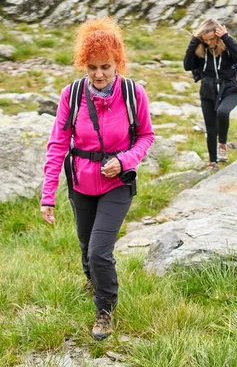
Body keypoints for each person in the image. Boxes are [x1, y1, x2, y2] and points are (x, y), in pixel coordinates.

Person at [40, 17, 154, 341]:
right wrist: (47, 196)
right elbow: (58, 145)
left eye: (106, 66)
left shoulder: (134, 94)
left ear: (117, 62)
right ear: (83, 65)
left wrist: (124, 160)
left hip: (118, 183)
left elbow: (146, 136)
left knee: (99, 251)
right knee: (85, 244)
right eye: (92, 67)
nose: (99, 74)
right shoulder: (71, 95)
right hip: (81, 183)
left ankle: (105, 309)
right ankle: (93, 278)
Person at [183, 19, 237, 169]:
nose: (209, 43)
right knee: (210, 129)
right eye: (205, 40)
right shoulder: (201, 50)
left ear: (218, 36)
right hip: (207, 92)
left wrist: (226, 37)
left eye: (212, 39)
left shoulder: (227, 48)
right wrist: (194, 42)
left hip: (230, 90)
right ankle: (213, 162)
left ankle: (222, 144)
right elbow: (187, 65)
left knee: (223, 112)